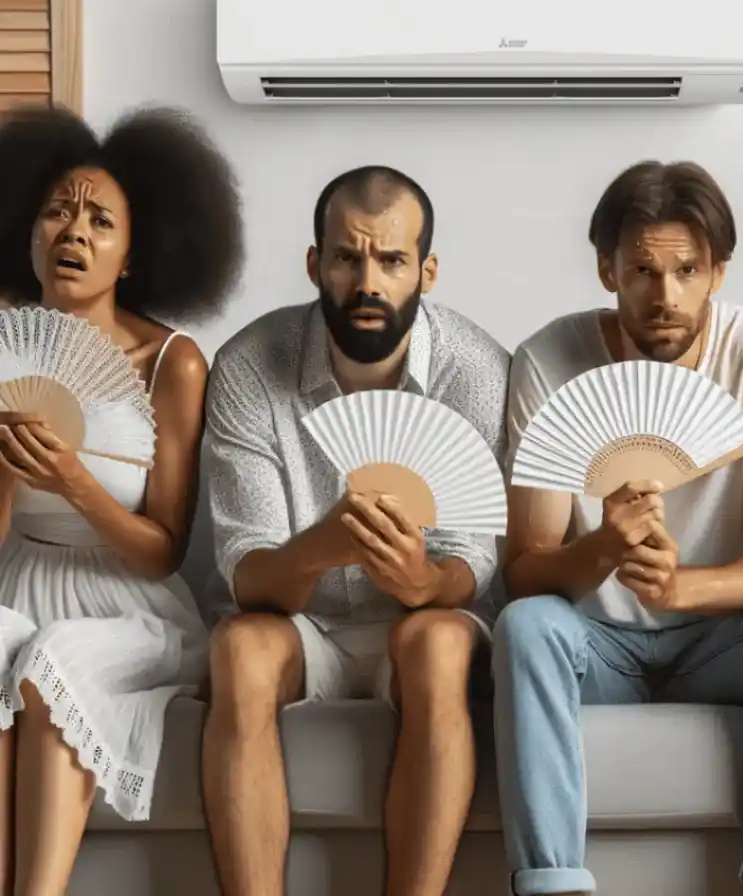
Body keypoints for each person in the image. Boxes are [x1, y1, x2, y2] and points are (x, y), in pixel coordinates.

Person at [493, 159, 743, 896]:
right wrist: (602, 547)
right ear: (606, 270)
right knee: (527, 627)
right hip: (598, 648)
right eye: (642, 272)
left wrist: (680, 586)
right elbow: (524, 572)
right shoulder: (549, 359)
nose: (665, 296)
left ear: (718, 272)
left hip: (718, 638)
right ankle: (554, 886)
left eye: (687, 271)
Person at [201, 165, 510, 896]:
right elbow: (248, 575)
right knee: (239, 650)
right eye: (347, 257)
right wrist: (323, 544)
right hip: (298, 626)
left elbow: (476, 560)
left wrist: (425, 581)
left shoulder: (477, 370)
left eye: (392, 260)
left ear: (426, 272)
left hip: (421, 622)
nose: (368, 280)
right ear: (316, 264)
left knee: (434, 639)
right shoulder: (248, 367)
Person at [0, 104, 243, 893]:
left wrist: (72, 479)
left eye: (101, 220)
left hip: (127, 602)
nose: (74, 231)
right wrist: (6, 473)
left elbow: (164, 546)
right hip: (18, 581)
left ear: (133, 255)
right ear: (27, 231)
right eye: (57, 211)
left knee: (52, 660)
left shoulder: (170, 363)